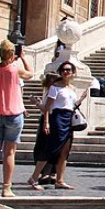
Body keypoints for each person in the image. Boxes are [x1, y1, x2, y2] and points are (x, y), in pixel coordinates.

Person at [0, 40, 33, 197]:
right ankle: (6, 188)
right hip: (13, 115)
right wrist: (23, 57)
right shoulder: (15, 69)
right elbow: (30, 74)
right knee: (9, 153)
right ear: (12, 54)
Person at [27, 63, 86, 191]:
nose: (66, 72)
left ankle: (60, 180)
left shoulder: (72, 88)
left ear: (73, 72)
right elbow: (48, 107)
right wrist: (46, 122)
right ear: (60, 72)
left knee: (65, 151)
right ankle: (34, 177)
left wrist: (81, 99)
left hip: (68, 119)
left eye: (69, 70)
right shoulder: (54, 88)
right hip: (57, 119)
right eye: (64, 70)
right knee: (51, 149)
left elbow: (71, 105)